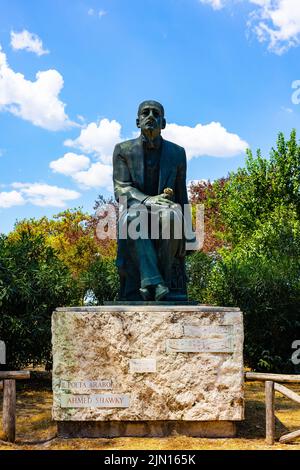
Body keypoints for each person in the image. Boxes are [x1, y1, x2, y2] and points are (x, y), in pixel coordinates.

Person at [113, 100, 193, 301]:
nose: (151, 116)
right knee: (134, 218)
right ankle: (155, 283)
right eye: (145, 113)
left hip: (166, 209)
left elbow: (182, 193)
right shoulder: (123, 150)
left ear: (163, 122)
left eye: (156, 114)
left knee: (172, 218)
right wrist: (148, 200)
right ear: (137, 121)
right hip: (135, 208)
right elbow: (121, 188)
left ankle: (160, 284)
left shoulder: (177, 153)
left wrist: (191, 234)